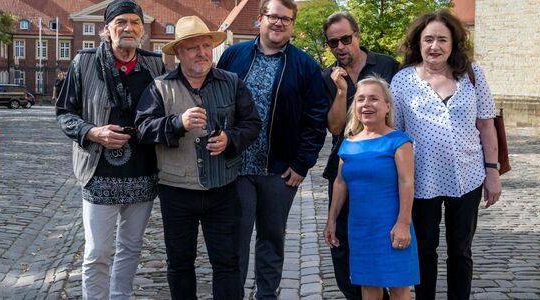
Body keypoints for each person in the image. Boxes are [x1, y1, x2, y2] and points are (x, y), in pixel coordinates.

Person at [135, 16, 261, 299]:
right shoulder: (160, 86)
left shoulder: (232, 82)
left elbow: (252, 123)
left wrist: (231, 139)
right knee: (180, 264)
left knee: (227, 263)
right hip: (176, 192)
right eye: (193, 47)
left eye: (206, 45)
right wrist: (177, 122)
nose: (202, 52)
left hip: (223, 189)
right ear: (178, 52)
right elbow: (142, 129)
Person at [216, 0, 329, 298]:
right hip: (236, 167)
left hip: (279, 170)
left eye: (286, 19)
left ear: (292, 24)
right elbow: (214, 101)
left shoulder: (304, 65)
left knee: (271, 238)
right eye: (273, 17)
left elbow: (315, 118)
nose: (279, 23)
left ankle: (266, 294)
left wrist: (302, 163)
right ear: (260, 18)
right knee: (235, 239)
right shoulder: (233, 55)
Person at [54, 0, 166, 298]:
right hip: (99, 171)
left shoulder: (154, 64)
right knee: (97, 251)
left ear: (142, 30)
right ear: (107, 29)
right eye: (121, 23)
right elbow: (64, 113)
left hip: (143, 172)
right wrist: (92, 131)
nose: (128, 28)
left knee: (130, 248)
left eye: (135, 22)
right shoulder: (84, 61)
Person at [389, 9, 502, 300]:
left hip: (468, 176)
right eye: (428, 39)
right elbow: (395, 135)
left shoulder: (473, 76)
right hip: (420, 180)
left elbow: (487, 126)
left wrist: (492, 172)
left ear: (453, 44)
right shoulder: (402, 81)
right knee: (424, 249)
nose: (434, 46)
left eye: (442, 39)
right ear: (418, 43)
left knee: (460, 249)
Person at [320, 11, 399, 300]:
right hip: (345, 168)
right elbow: (335, 127)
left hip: (384, 168)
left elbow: (399, 117)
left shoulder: (388, 66)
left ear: (358, 36)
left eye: (345, 39)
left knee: (383, 236)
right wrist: (341, 93)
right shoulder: (326, 77)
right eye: (333, 43)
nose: (340, 47)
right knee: (341, 242)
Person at [324, 76, 418, 300]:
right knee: (368, 286)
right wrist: (332, 220)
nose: (366, 104)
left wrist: (403, 223)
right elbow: (340, 182)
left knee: (398, 286)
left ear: (387, 106)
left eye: (374, 99)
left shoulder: (399, 141)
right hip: (360, 227)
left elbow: (407, 182)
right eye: (360, 99)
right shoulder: (348, 143)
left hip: (391, 225)